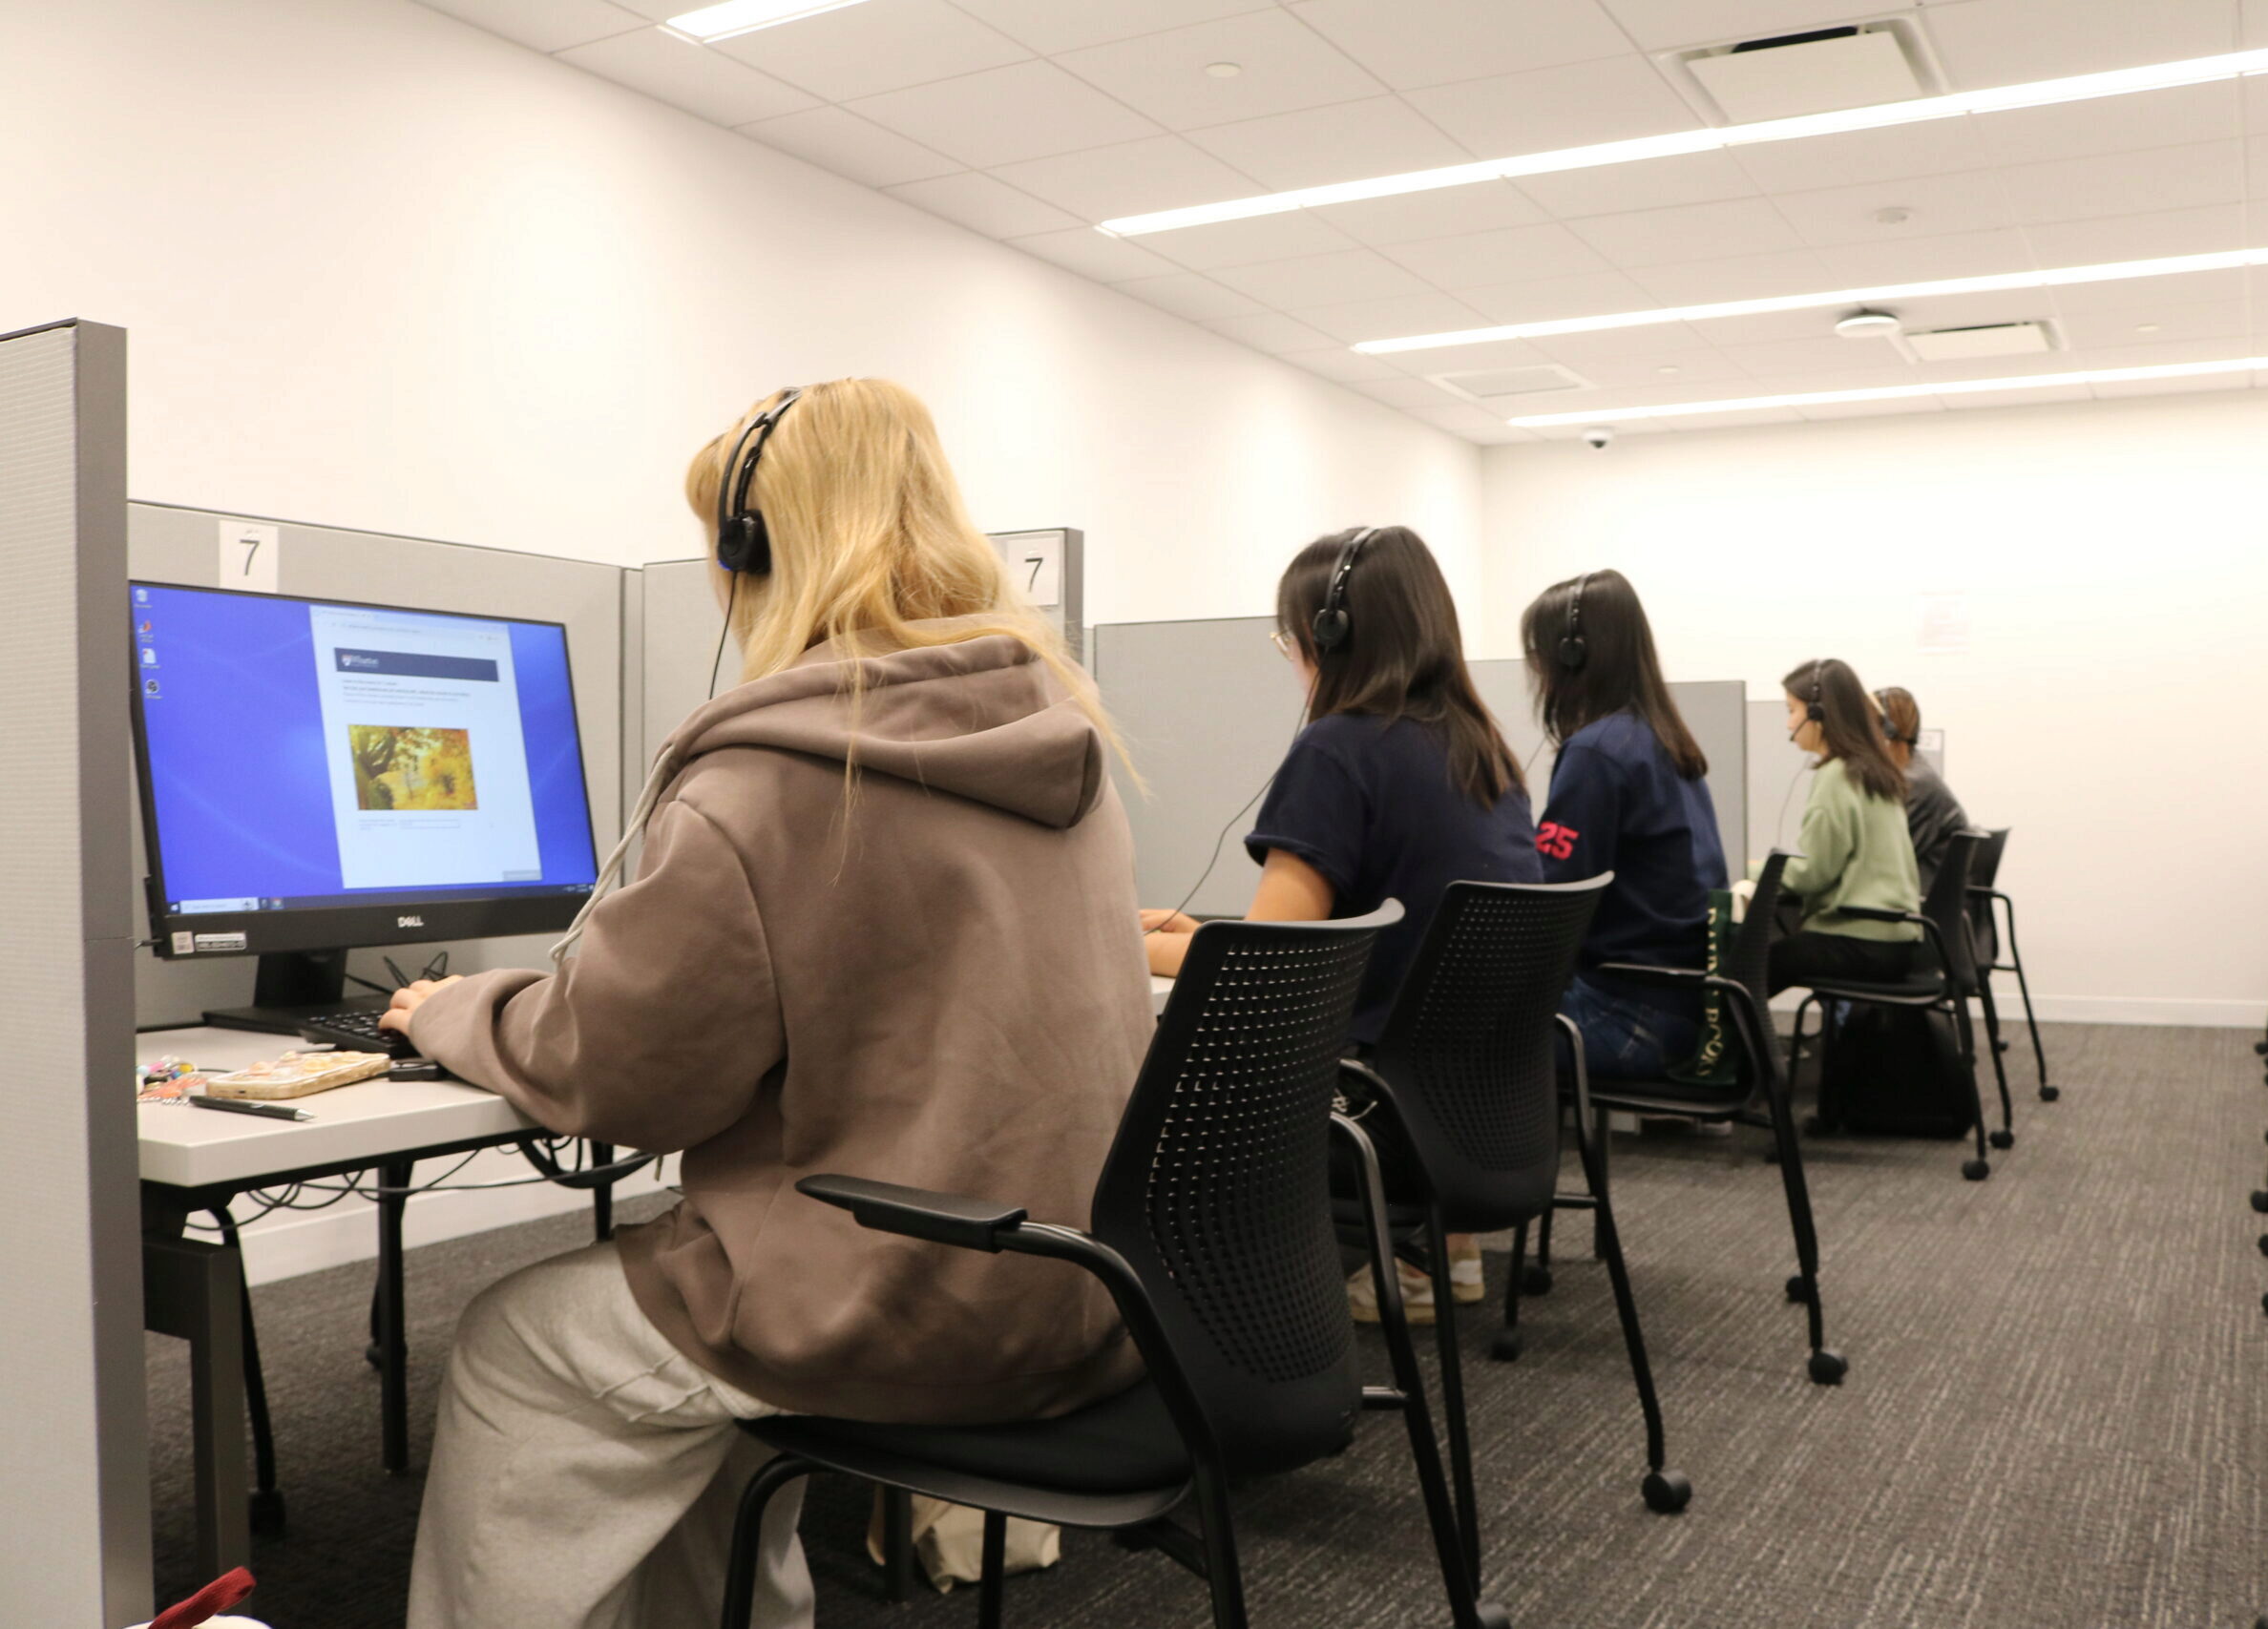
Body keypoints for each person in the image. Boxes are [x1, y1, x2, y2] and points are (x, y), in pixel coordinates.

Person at [380, 380, 1151, 1629]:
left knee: (514, 1341)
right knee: (692, 1345)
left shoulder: (774, 776)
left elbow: (625, 1075)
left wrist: (455, 1009)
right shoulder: (1061, 739)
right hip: (1090, 1287)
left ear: (753, 547)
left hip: (895, 1303)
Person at [1140, 525, 1537, 1319]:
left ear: (1329, 635)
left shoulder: (1339, 748)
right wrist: (1198, 935)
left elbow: (1266, 969)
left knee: (1141, 1108)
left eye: (1289, 638)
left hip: (1375, 1117)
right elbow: (1381, 932)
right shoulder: (1480, 749)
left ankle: (1213, 1319)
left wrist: (1132, 945)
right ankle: (1438, 1259)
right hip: (1484, 1109)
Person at [1520, 570, 1727, 1080]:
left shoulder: (1598, 752)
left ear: (1571, 655)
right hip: (1680, 1007)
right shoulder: (1661, 740)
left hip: (1627, 1015)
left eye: (1538, 654)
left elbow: (1551, 906)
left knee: (1437, 1041)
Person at [1769, 658, 1921, 995]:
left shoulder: (1837, 774)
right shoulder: (1872, 768)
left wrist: (1760, 871)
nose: (1788, 723)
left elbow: (1814, 873)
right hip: (1898, 941)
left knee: (1745, 970)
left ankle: (1722, 1047)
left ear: (1818, 715)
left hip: (1861, 941)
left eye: (1792, 710)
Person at [1875, 685, 1971, 887]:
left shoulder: (1914, 783)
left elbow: (1884, 860)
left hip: (1915, 902)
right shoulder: (1913, 771)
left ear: (1887, 731)